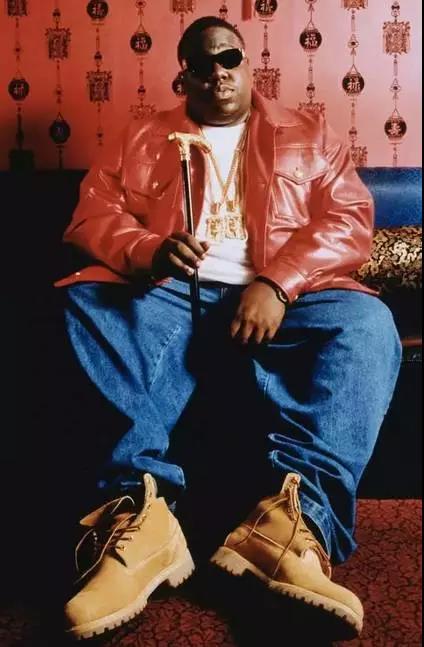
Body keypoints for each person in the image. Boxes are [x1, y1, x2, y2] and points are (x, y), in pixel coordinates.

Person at [56, 15, 402, 642]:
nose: (217, 72)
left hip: (287, 296)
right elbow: (92, 216)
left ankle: (291, 524)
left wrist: (278, 282)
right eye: (201, 63)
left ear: (247, 64)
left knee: (369, 323)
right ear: (183, 76)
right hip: (169, 292)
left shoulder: (309, 132)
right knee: (85, 297)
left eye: (229, 58)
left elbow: (349, 219)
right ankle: (139, 516)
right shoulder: (140, 136)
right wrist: (148, 249)